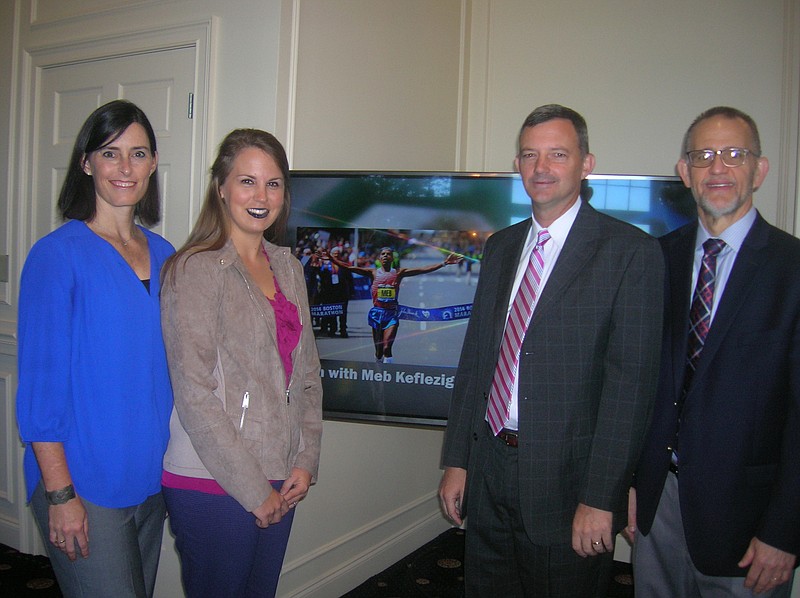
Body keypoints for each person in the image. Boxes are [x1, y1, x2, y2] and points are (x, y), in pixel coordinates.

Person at [438, 104, 664, 597]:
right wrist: (458, 461)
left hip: (569, 482)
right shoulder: (500, 247)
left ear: (586, 163)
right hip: (490, 465)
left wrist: (600, 498)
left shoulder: (630, 253)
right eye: (529, 155)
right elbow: (477, 362)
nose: (541, 168)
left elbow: (631, 389)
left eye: (557, 154)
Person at [629, 107, 800, 597]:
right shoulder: (656, 259)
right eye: (703, 156)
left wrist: (784, 532)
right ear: (685, 172)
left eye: (734, 154)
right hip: (657, 508)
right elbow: (639, 384)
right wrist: (630, 484)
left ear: (759, 170)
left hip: (749, 526)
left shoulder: (793, 271)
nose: (718, 168)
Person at [16, 100, 174, 597]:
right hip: (84, 481)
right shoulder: (56, 256)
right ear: (86, 163)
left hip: (152, 478)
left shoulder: (167, 255)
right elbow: (41, 390)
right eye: (110, 153)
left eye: (139, 153)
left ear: (152, 163)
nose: (125, 168)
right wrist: (61, 494)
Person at [160, 129, 323, 598]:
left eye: (273, 184)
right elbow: (193, 393)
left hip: (282, 470)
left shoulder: (288, 266)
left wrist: (306, 459)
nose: (260, 196)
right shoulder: (195, 269)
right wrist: (255, 490)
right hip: (214, 480)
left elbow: (308, 375)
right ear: (221, 188)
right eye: (246, 181)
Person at [323, 246, 461, 363]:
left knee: (387, 348)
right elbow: (349, 267)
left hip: (391, 315)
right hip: (377, 313)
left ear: (392, 258)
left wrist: (444, 263)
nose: (385, 256)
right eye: (383, 254)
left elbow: (423, 269)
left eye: (388, 254)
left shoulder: (399, 273)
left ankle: (389, 372)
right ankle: (379, 366)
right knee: (378, 352)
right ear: (379, 258)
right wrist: (332, 259)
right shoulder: (372, 273)